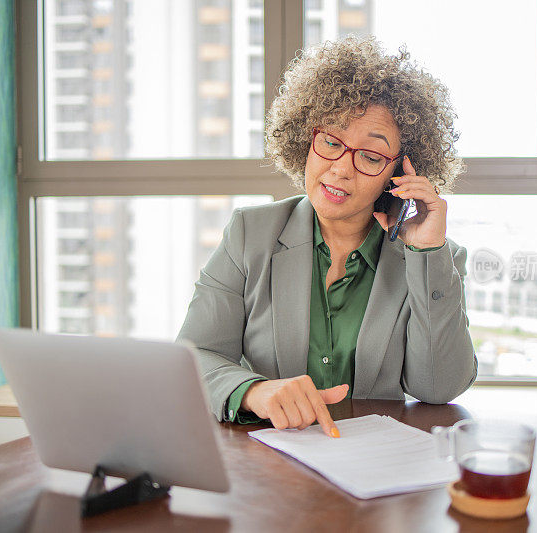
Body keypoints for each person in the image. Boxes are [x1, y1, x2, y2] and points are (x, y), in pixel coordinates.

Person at [177, 36, 477, 439]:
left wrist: (426, 253)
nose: (340, 169)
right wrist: (255, 392)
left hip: (378, 466)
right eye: (332, 142)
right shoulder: (250, 233)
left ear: (399, 175)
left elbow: (439, 388)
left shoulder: (435, 258)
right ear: (306, 140)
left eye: (370, 156)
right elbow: (195, 357)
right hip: (272, 458)